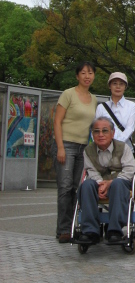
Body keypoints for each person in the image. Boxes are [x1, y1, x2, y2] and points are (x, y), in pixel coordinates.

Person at [53, 61, 97, 243]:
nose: (87, 76)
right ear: (77, 75)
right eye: (83, 73)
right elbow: (57, 121)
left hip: (83, 148)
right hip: (66, 145)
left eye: (90, 73)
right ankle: (63, 230)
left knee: (76, 188)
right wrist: (60, 147)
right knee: (65, 187)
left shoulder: (94, 99)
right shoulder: (68, 94)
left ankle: (72, 227)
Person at [76, 117, 135, 244]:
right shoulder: (88, 151)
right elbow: (91, 171)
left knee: (118, 184)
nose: (101, 135)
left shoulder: (123, 147)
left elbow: (130, 169)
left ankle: (114, 230)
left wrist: (110, 183)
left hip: (120, 182)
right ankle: (90, 231)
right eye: (96, 131)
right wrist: (100, 184)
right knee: (86, 185)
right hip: (98, 183)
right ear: (92, 134)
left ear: (113, 133)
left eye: (105, 131)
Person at [95, 72, 135, 150]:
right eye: (114, 83)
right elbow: (96, 129)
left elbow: (130, 129)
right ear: (109, 86)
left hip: (125, 150)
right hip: (104, 149)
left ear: (125, 87)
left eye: (121, 84)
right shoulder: (101, 107)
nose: (118, 87)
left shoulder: (131, 106)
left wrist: (114, 144)